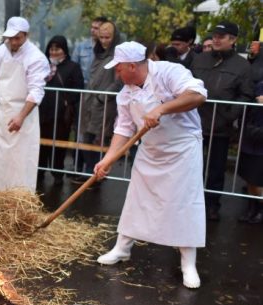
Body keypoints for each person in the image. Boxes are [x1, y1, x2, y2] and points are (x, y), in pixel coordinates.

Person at [94, 41, 207, 288]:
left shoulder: (168, 72)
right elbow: (123, 129)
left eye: (119, 68)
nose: (117, 73)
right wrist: (108, 159)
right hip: (150, 149)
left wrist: (161, 109)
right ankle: (122, 249)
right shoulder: (125, 93)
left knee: (184, 203)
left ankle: (188, 264)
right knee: (137, 198)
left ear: (132, 66)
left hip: (182, 148)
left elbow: (197, 95)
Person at [0, 17, 49, 194]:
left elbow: (36, 91)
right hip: (1, 110)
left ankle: (20, 197)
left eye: (18, 38)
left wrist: (21, 117)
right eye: (11, 38)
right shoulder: (0, 51)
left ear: (26, 35)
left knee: (20, 158)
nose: (13, 42)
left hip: (23, 111)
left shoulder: (36, 58)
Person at [190, 21, 254, 221]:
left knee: (216, 169)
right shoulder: (200, 59)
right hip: (194, 124)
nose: (216, 39)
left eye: (221, 36)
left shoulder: (242, 66)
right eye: (214, 35)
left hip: (221, 126)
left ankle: (212, 205)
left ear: (233, 40)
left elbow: (246, 94)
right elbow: (187, 84)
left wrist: (229, 115)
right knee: (191, 166)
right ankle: (191, 203)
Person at [72, 21, 122, 185]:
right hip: (90, 102)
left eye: (107, 37)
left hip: (105, 104)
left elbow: (118, 81)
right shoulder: (98, 52)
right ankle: (89, 173)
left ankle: (94, 175)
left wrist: (102, 96)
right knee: (86, 137)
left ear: (114, 37)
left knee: (98, 140)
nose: (104, 41)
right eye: (101, 37)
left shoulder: (118, 54)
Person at [39, 35, 84, 186]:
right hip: (42, 113)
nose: (54, 52)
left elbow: (78, 89)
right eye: (51, 49)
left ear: (64, 50)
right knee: (41, 144)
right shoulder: (43, 65)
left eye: (57, 49)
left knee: (59, 145)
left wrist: (67, 101)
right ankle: (39, 172)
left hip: (61, 115)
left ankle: (57, 173)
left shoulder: (73, 67)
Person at [236, 82, 263, 224]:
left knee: (259, 180)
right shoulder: (258, 85)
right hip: (250, 139)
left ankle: (260, 209)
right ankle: (252, 207)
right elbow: (246, 105)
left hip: (260, 143)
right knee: (249, 178)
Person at [71, 16, 108, 87]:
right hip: (83, 87)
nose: (92, 30)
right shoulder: (80, 47)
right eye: (92, 27)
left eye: (96, 28)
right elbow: (73, 69)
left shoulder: (108, 49)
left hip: (101, 89)